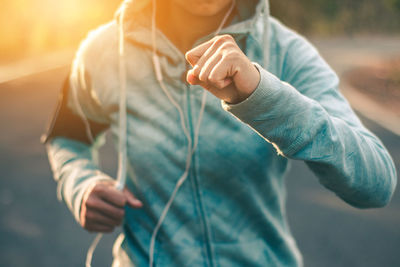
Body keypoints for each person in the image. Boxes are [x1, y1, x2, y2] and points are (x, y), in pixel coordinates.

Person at [43, 0, 397, 266]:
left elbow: (377, 183)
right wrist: (79, 184)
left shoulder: (286, 51)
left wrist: (264, 97)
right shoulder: (101, 51)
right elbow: (66, 138)